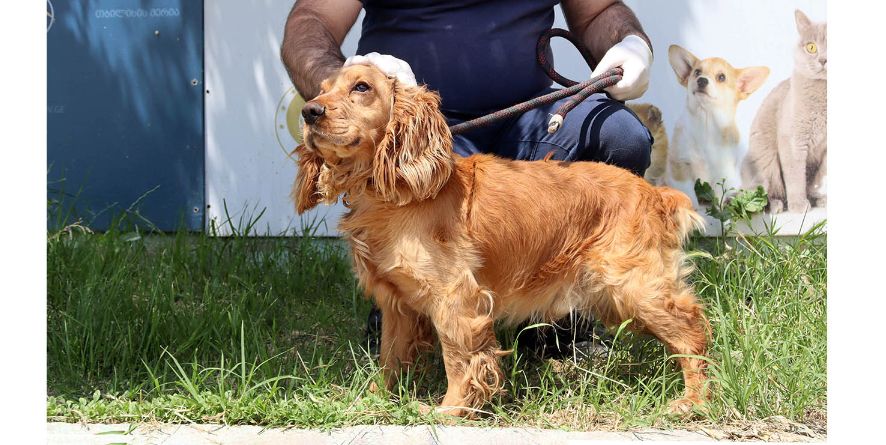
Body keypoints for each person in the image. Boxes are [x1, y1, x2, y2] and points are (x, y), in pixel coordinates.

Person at [281, 0, 655, 358]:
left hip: (533, 114)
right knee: (418, 194)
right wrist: (342, 79)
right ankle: (407, 312)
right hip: (418, 133)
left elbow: (599, 11)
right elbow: (312, 19)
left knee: (620, 138)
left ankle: (559, 329)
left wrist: (630, 43)